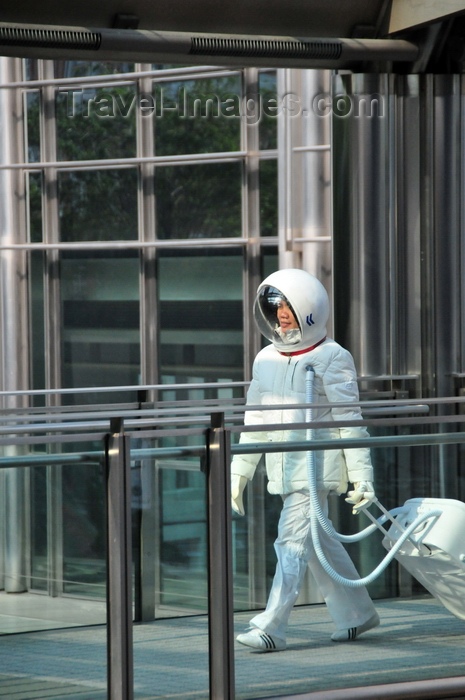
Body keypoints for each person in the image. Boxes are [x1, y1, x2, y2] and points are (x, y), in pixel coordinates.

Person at [231, 268, 379, 652]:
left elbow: (351, 421)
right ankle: (357, 614)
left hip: (315, 472)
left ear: (309, 310)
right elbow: (256, 420)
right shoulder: (266, 358)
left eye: (289, 307)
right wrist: (240, 471)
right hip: (284, 469)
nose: (281, 315)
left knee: (290, 543)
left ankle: (271, 626)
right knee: (316, 544)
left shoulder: (332, 357)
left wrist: (363, 476)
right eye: (276, 306)